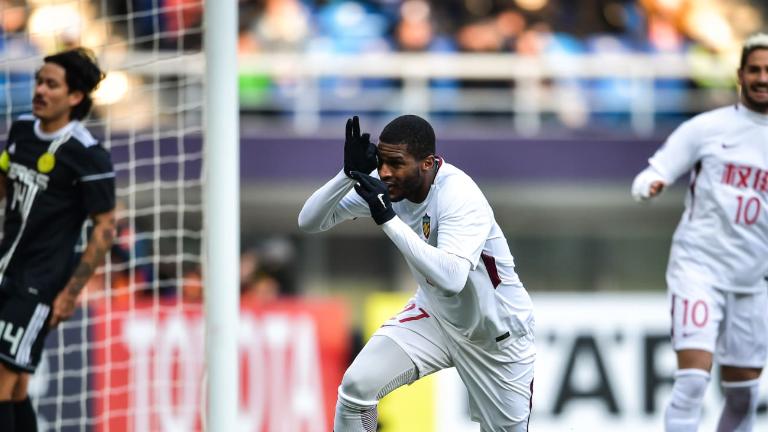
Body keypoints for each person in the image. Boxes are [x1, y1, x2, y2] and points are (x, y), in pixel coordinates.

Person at [298, 115, 536, 431]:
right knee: (356, 387)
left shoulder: (459, 195)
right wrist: (346, 174)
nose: (385, 172)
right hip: (435, 317)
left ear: (427, 163)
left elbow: (452, 279)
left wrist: (387, 218)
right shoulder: (389, 187)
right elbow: (309, 221)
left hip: (496, 335)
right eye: (381, 161)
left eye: (396, 163)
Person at [631, 33, 768, 432]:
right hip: (699, 269)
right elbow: (653, 172)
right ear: (740, 75)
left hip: (755, 281)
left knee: (743, 394)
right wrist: (650, 186)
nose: (762, 78)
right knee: (692, 381)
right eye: (755, 70)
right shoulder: (708, 127)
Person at [0, 47, 115, 431]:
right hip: (5, 268)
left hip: (40, 283)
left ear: (75, 96)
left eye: (51, 85)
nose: (39, 90)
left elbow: (105, 227)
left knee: (3, 381)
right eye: (39, 81)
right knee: (16, 385)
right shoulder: (20, 131)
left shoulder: (88, 154)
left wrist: (69, 293)